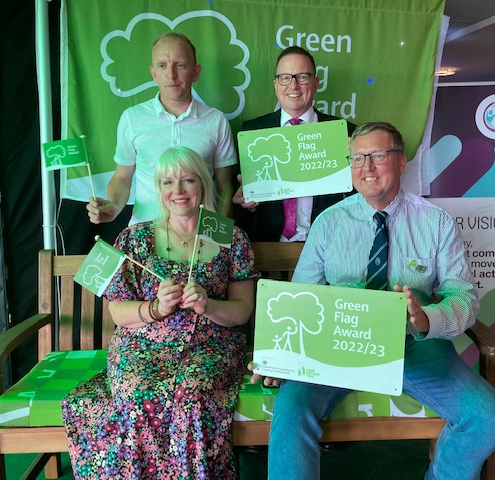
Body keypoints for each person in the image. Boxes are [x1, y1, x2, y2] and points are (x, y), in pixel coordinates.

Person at [254, 122, 495, 479]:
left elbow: (464, 296)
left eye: (378, 155)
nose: (367, 167)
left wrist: (427, 318)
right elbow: (300, 298)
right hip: (337, 345)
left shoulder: (436, 223)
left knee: (487, 417)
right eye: (357, 158)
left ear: (402, 162)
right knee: (291, 407)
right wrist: (280, 359)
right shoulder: (329, 223)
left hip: (413, 346)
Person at [63, 146, 260, 479]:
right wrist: (155, 308)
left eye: (187, 180)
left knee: (193, 396)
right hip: (142, 347)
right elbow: (117, 312)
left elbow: (242, 311)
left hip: (209, 346)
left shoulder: (227, 236)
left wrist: (207, 304)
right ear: (158, 189)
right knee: (139, 394)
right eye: (167, 182)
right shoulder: (135, 239)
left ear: (204, 185)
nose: (178, 191)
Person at [87, 32, 237, 227]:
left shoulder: (216, 121)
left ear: (195, 72)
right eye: (162, 65)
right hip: (144, 232)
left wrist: (218, 233)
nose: (171, 75)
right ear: (153, 73)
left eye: (180, 65)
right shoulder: (132, 118)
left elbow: (225, 186)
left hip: (198, 236)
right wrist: (113, 206)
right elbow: (122, 177)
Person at [233, 46, 356, 242]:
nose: (293, 86)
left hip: (328, 246)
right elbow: (242, 203)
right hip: (268, 247)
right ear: (275, 84)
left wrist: (355, 164)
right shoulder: (251, 131)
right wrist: (249, 201)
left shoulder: (345, 133)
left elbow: (359, 199)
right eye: (285, 77)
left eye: (303, 77)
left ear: (315, 83)